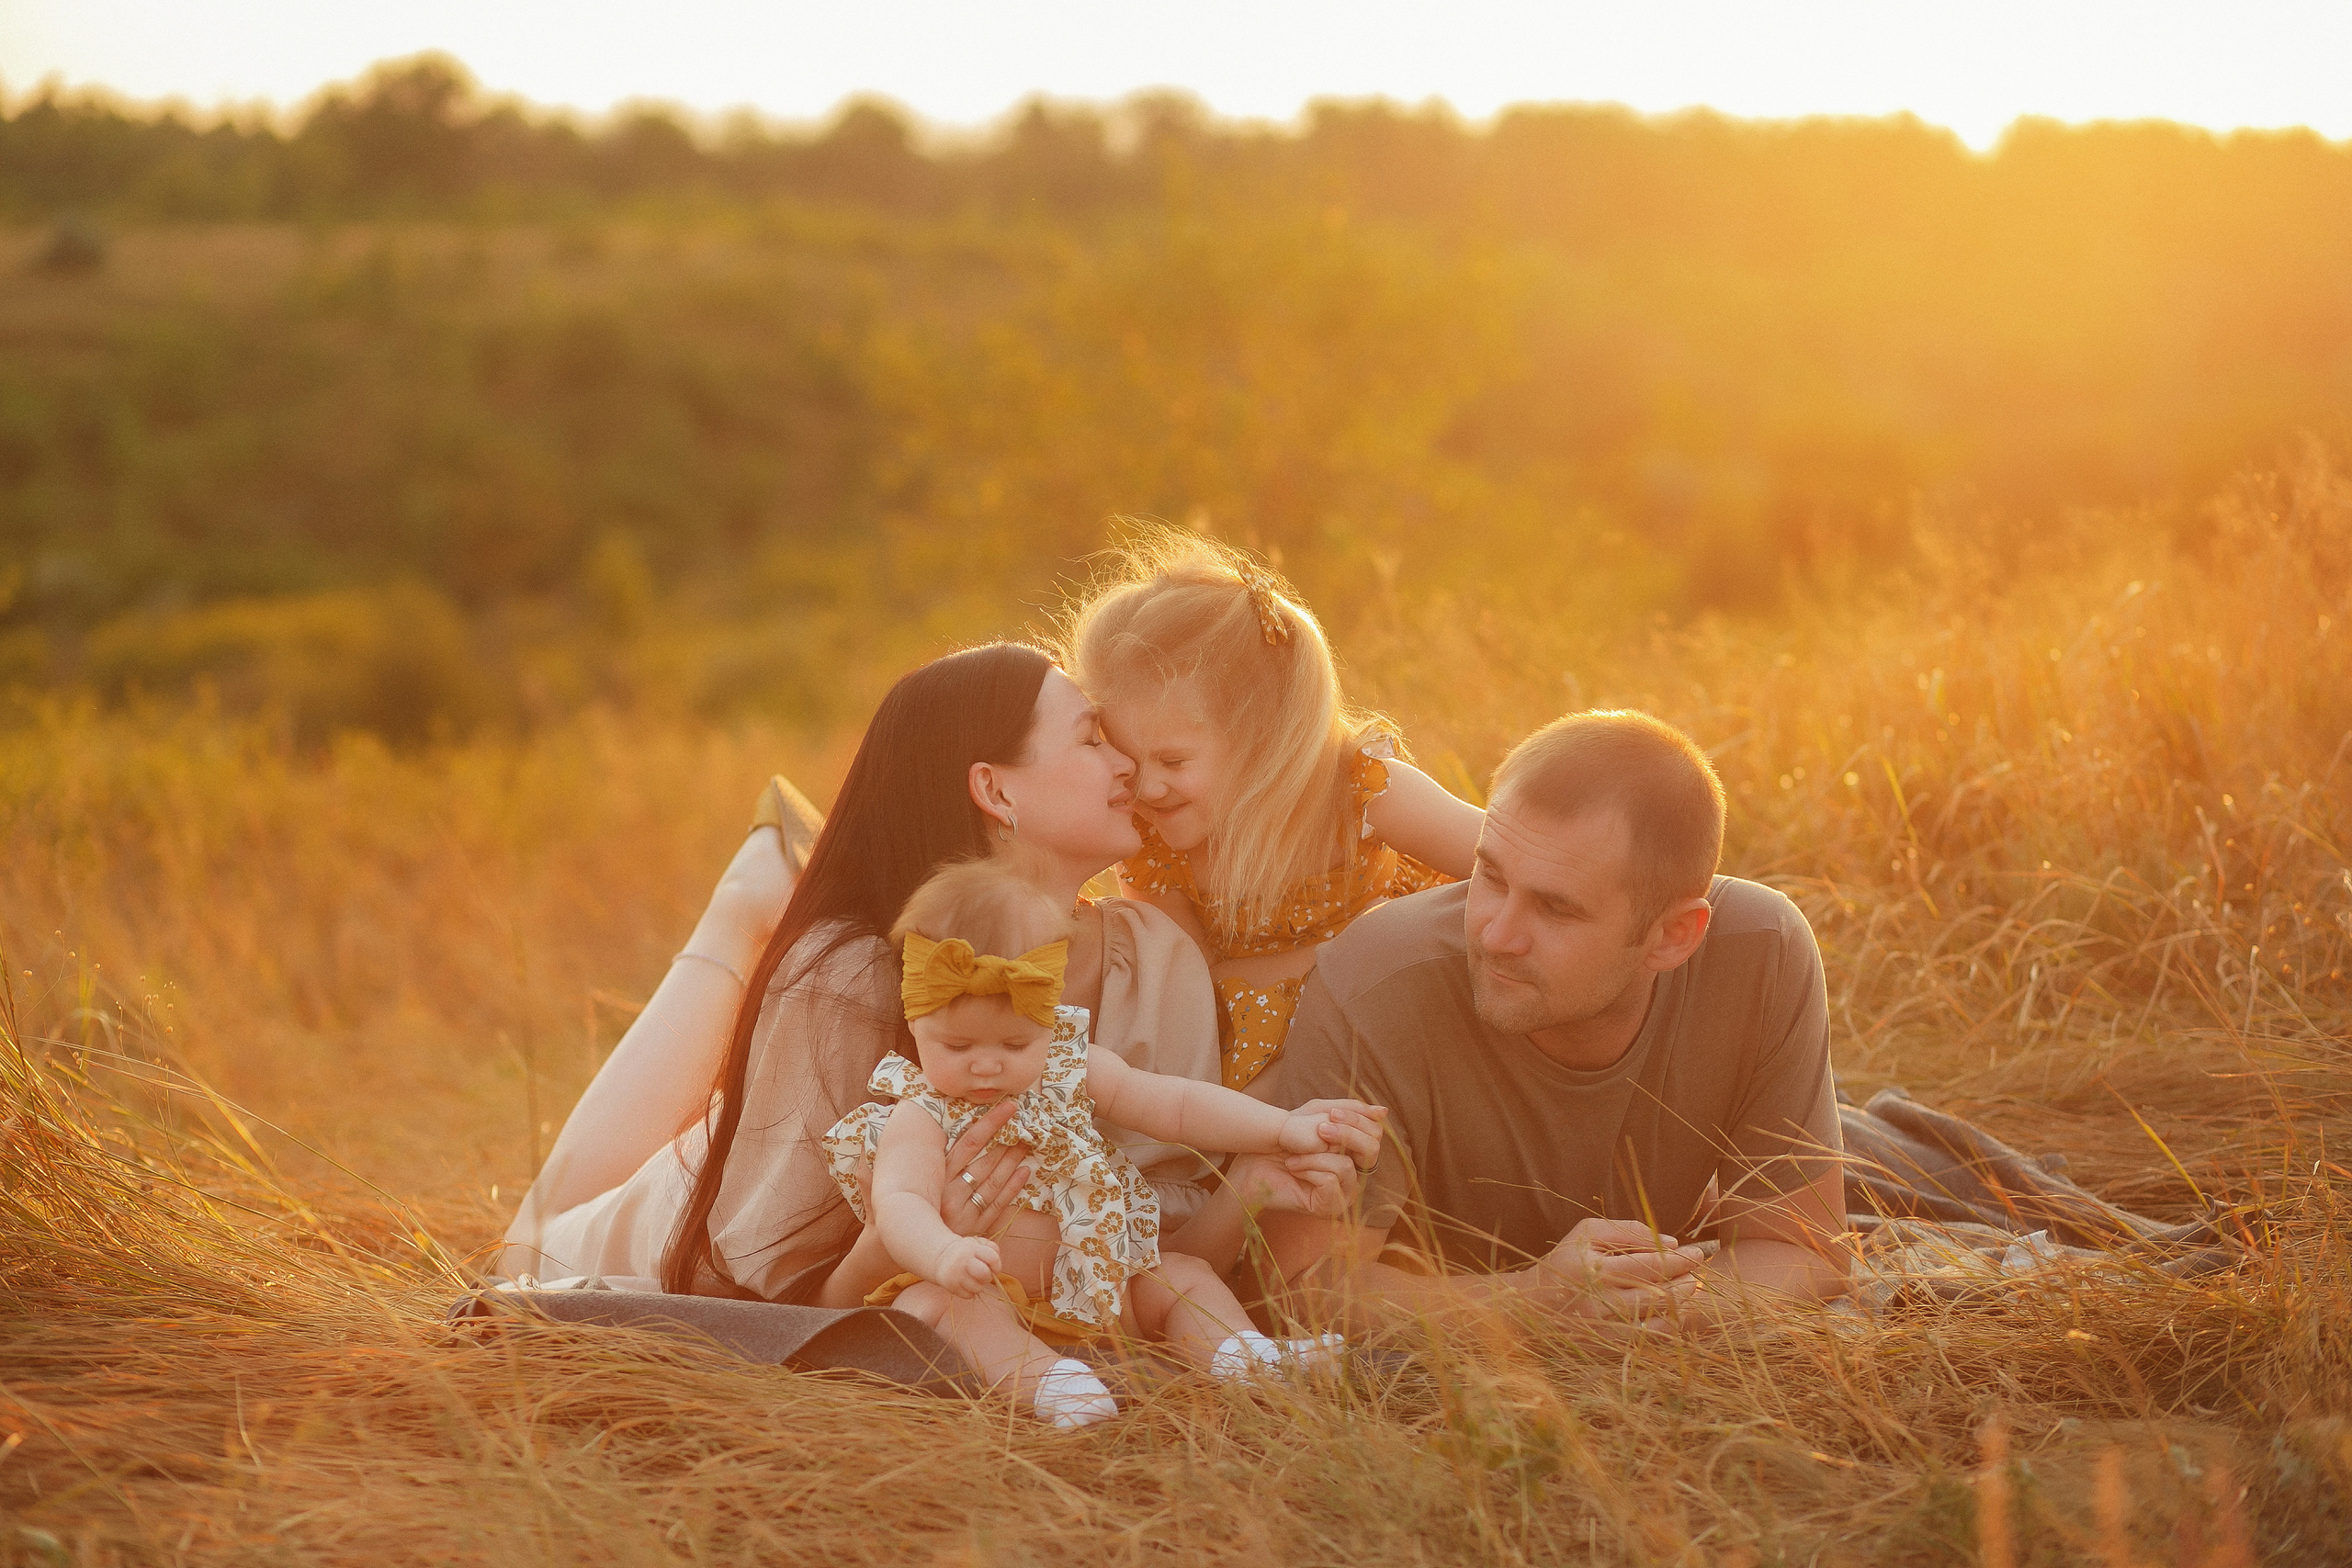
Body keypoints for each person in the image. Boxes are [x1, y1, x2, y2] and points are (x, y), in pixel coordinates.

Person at [498, 642, 1373, 1303]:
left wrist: (1257, 1184)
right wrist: (912, 1228)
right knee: (525, 1247)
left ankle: (768, 886)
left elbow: (1154, 1255)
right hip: (664, 1234)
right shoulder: (850, 980)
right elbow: (765, 1289)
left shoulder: (1155, 961)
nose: (1126, 768)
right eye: (1091, 739)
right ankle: (746, 905)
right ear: (996, 791)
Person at [1250, 709, 1850, 1329]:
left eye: (1555, 908)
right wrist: (1533, 1301)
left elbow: (1803, 1248)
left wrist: (1645, 1310)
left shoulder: (1760, 949)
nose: (1497, 933)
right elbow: (1298, 1290)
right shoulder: (1374, 984)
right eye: (1490, 874)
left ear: (1673, 935)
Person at [825, 862, 1379, 1425]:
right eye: (959, 1044)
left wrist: (1281, 1129)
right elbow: (900, 1204)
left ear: (1049, 1021)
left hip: (1100, 1294)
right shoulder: (921, 1116)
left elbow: (1177, 1104)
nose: (987, 1064)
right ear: (916, 1024)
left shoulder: (1070, 1065)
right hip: (982, 1291)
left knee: (1181, 1275)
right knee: (931, 1306)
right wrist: (944, 1255)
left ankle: (1245, 1355)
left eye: (1015, 1044)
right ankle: (1054, 1388)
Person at [1064, 533, 1485, 1090]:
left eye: (1172, 759)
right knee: (1268, 1122)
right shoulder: (1155, 844)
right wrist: (1331, 957)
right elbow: (1190, 989)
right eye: (1126, 757)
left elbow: (1503, 861)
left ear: (1264, 739)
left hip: (1403, 1010)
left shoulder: (1359, 791)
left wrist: (1396, 940)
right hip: (1261, 1052)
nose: (1148, 787)